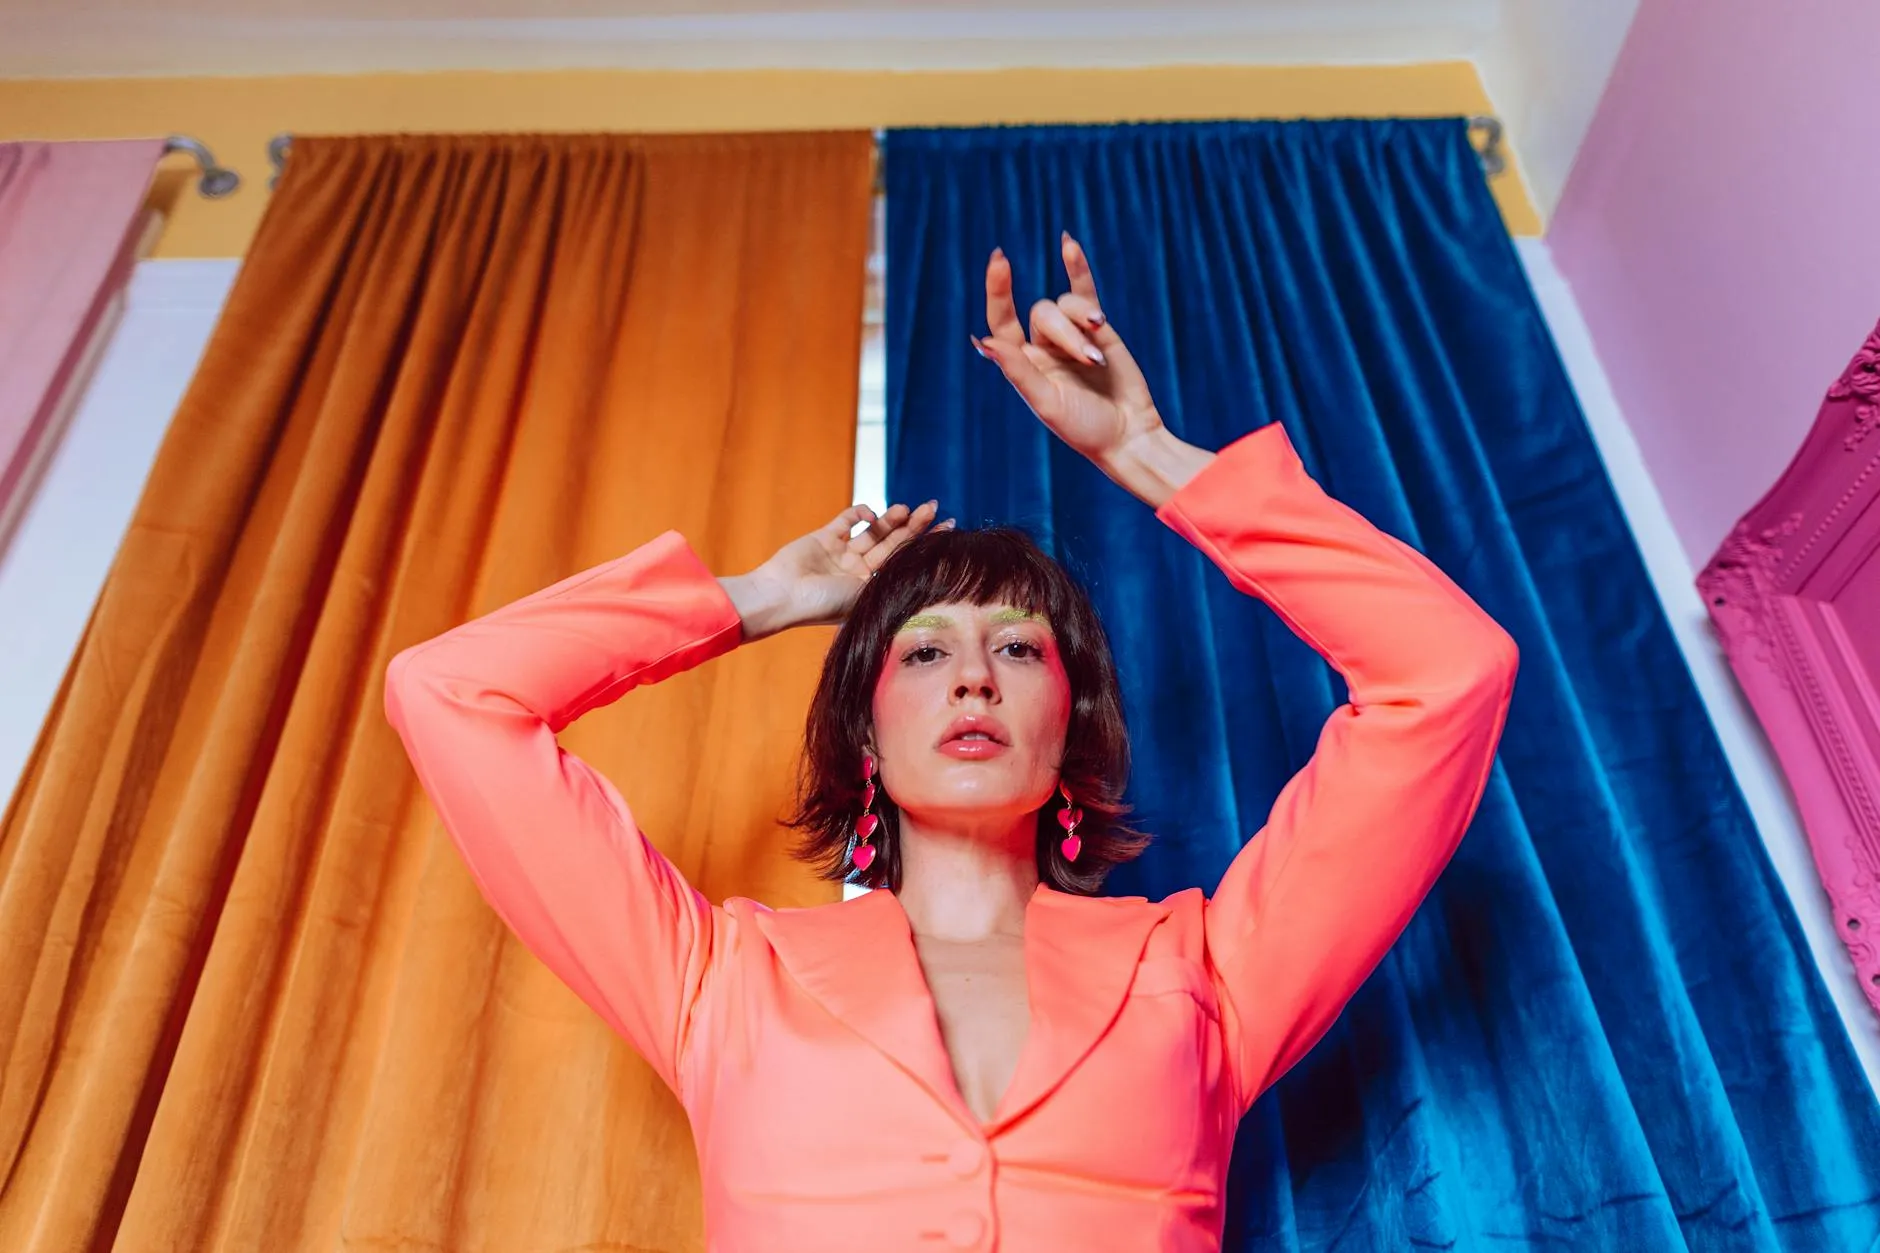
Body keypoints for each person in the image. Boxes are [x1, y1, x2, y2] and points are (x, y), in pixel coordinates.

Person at [385, 234, 1518, 1252]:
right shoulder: (720, 980)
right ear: (863, 736)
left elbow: (1445, 672)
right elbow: (451, 693)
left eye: (1018, 650)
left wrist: (1149, 453)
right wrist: (757, 597)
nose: (973, 671)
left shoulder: (1205, 974)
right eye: (922, 653)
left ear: (1067, 729)